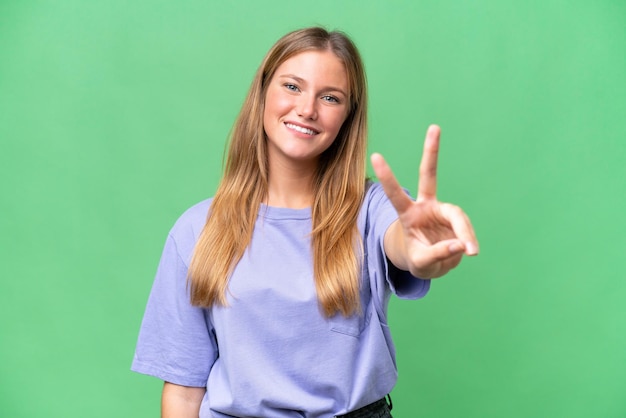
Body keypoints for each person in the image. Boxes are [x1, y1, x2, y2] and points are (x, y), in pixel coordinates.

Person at [132, 27, 478, 418]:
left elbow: (402, 243)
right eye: (292, 87)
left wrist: (419, 249)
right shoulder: (196, 229)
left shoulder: (370, 209)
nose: (307, 109)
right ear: (262, 92)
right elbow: (182, 390)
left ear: (347, 117)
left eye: (330, 97)